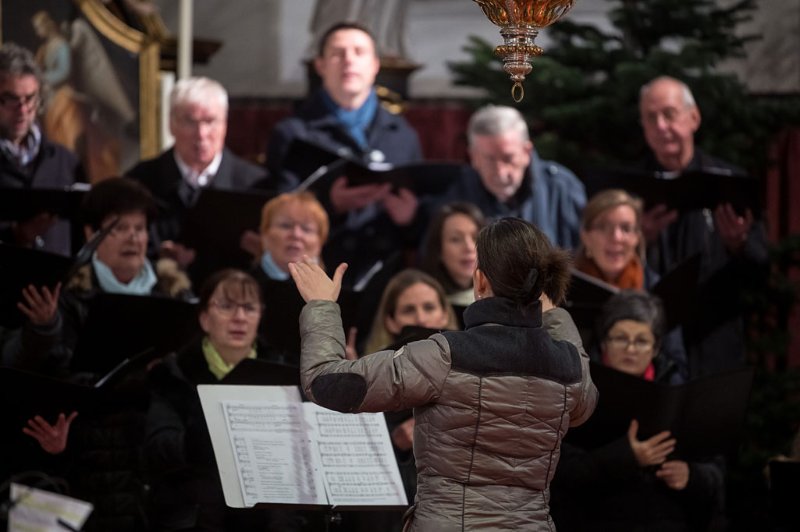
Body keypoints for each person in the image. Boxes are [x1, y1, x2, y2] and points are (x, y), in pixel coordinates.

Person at [289, 217, 598, 530]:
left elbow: (325, 381)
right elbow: (584, 403)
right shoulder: (570, 368)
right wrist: (551, 311)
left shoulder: (442, 355)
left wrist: (321, 304)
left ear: (479, 281)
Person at [550, 290, 726, 532]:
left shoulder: (680, 394)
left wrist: (690, 476)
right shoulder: (579, 393)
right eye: (620, 338)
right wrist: (628, 457)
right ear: (604, 343)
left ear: (655, 348)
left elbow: (716, 477)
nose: (631, 349)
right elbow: (562, 475)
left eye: (641, 341)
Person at [266, 22, 423, 283]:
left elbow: (420, 223)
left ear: (375, 65)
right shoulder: (293, 133)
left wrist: (409, 218)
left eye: (359, 52)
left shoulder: (403, 135)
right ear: (320, 65)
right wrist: (331, 204)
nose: (348, 61)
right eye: (338, 53)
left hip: (383, 278)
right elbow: (276, 214)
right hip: (316, 275)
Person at [637, 75, 769, 377]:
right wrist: (640, 239)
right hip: (652, 353)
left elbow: (762, 271)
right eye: (650, 118)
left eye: (669, 114)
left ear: (693, 118)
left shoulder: (729, 184)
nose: (661, 126)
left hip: (715, 348)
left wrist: (739, 244)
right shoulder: (633, 193)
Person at [144, 269, 296, 531]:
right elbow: (160, 450)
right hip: (197, 517)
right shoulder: (174, 374)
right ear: (204, 318)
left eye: (249, 308)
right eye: (226, 306)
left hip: (269, 519)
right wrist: (207, 425)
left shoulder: (284, 374)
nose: (239, 318)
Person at [126, 76, 266, 273]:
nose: (201, 134)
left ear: (225, 124)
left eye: (210, 121)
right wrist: (159, 259)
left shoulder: (255, 184)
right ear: (171, 124)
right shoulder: (140, 183)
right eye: (190, 122)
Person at [575, 189, 688, 382]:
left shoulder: (659, 290)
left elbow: (676, 368)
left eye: (626, 228)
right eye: (604, 227)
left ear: (637, 237)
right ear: (585, 235)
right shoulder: (561, 289)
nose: (617, 237)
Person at [444, 105, 585, 250]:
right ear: (473, 157)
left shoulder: (561, 187)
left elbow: (583, 255)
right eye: (490, 159)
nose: (500, 172)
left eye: (508, 158)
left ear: (526, 152)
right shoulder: (457, 191)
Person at [0, 42, 82, 256]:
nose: (23, 109)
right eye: (11, 99)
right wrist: (15, 235)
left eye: (30, 99)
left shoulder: (64, 160)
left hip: (56, 286)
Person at [420, 202, 485, 309]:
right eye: (456, 239)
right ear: (439, 250)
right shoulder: (426, 303)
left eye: (475, 237)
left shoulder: (500, 298)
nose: (469, 247)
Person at [255, 191, 329, 281]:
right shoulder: (240, 289)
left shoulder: (335, 292)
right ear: (265, 235)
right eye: (286, 226)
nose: (296, 235)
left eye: (306, 229)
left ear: (320, 241)